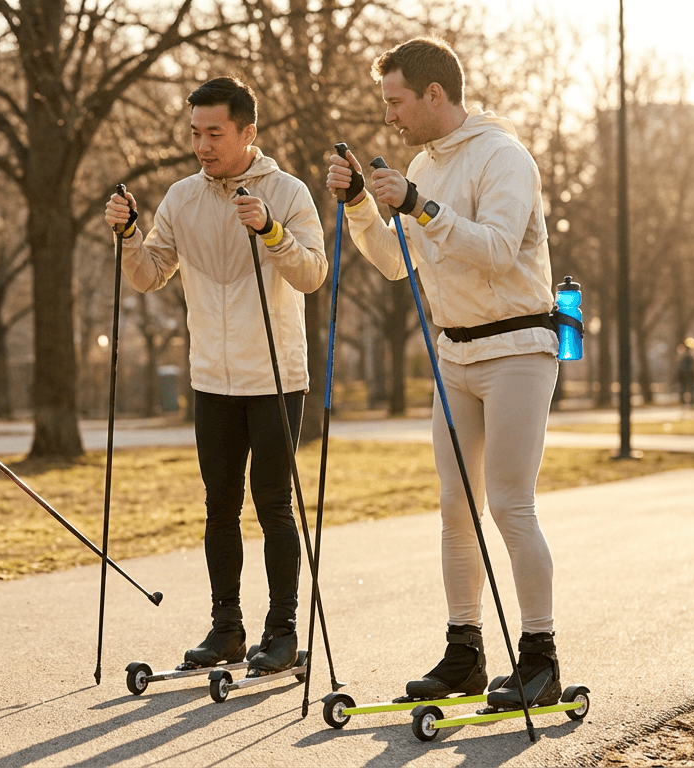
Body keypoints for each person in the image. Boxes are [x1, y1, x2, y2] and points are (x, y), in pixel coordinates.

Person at [326, 37, 564, 710]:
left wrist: (420, 205)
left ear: (435, 94)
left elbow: (493, 250)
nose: (390, 116)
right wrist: (359, 207)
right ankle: (465, 653)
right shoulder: (421, 162)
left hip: (517, 347)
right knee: (455, 507)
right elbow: (397, 261)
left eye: (396, 102)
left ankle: (540, 655)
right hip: (455, 353)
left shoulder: (505, 157)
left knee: (509, 502)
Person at [105, 76, 327, 675]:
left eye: (215, 133)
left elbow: (312, 274)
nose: (202, 145)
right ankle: (226, 627)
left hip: (277, 376)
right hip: (213, 379)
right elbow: (150, 274)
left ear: (248, 132)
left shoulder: (288, 192)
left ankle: (281, 632)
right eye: (196, 133)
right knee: (219, 506)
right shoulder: (181, 198)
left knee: (274, 506)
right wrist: (127, 234)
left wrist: (270, 232)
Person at [676, 339, 694, 409]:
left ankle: (683, 403)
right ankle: (692, 404)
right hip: (691, 373)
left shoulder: (681, 350)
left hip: (682, 373)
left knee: (683, 389)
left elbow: (678, 361)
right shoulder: (693, 352)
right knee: (692, 388)